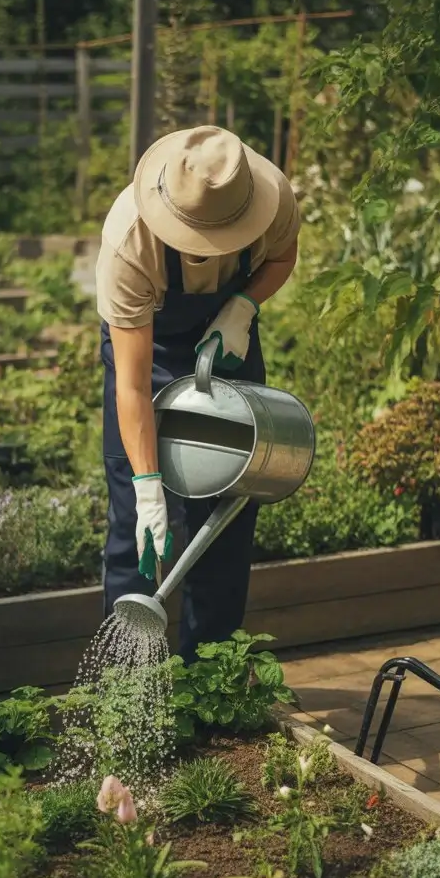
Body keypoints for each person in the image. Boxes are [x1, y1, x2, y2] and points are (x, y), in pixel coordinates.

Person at [96, 125, 300, 662]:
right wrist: (146, 488)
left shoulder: (271, 197)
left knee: (228, 510)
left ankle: (211, 680)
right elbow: (134, 385)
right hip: (151, 349)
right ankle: (132, 680)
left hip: (226, 344)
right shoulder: (130, 242)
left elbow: (281, 258)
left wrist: (244, 306)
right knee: (138, 535)